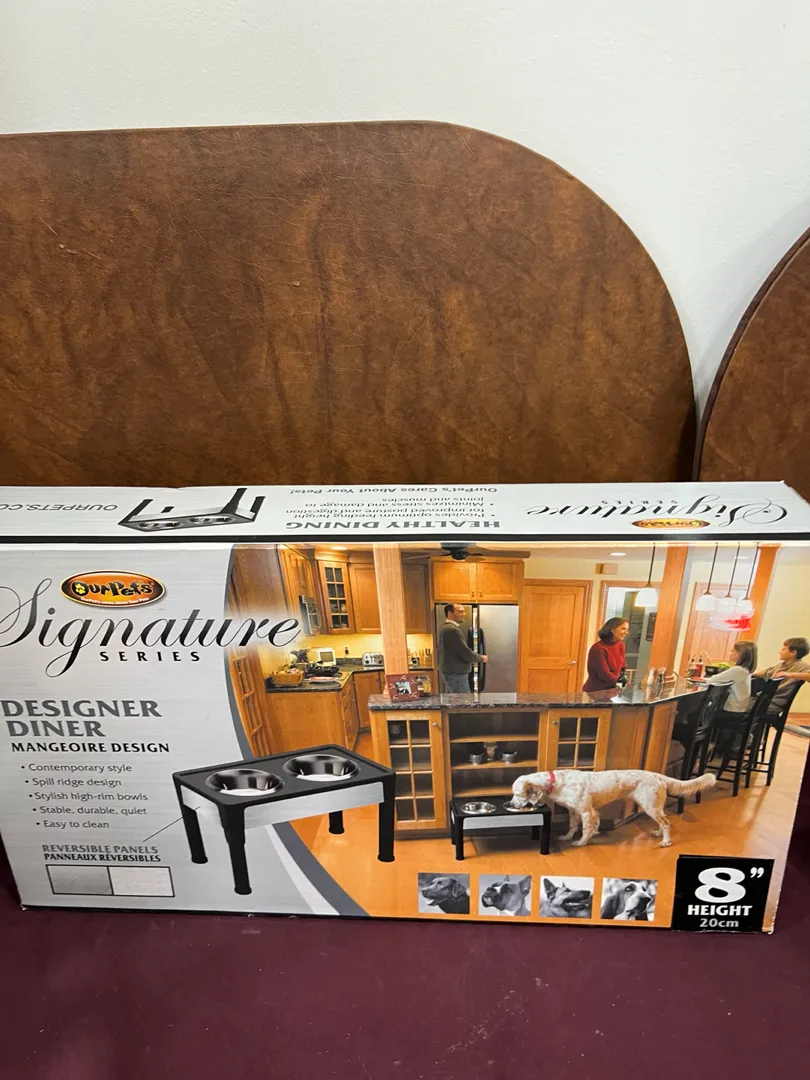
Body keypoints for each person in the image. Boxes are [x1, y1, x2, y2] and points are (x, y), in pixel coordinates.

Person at [755, 637, 810, 717]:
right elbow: (765, 672)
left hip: (772, 704)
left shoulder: (801, 666)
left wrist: (789, 674)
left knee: (739, 705)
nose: (780, 651)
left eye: (783, 649)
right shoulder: (780, 665)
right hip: (763, 701)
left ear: (793, 652)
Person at [438, 603, 487, 693]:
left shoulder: (445, 628)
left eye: (464, 612)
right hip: (457, 675)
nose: (464, 614)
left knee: (456, 700)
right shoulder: (452, 630)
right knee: (463, 700)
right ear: (450, 613)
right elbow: (465, 652)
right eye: (460, 612)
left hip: (453, 673)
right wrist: (481, 658)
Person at [582, 618, 629, 692]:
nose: (626, 632)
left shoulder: (620, 645)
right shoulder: (598, 648)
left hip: (613, 689)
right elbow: (604, 674)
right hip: (596, 691)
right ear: (612, 629)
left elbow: (623, 667)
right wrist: (619, 683)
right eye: (623, 629)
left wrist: (623, 680)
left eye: (627, 629)